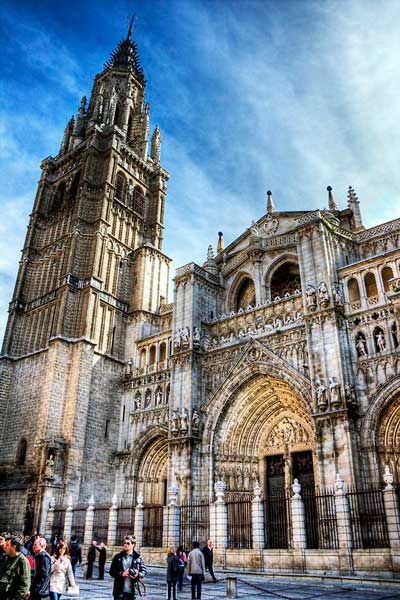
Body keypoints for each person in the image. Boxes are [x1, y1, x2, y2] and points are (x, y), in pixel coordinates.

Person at [109, 535, 147, 600]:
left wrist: (137, 574)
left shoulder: (138, 558)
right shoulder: (118, 557)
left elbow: (144, 571)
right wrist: (121, 574)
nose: (125, 545)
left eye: (128, 543)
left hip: (132, 593)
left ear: (133, 545)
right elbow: (111, 572)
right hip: (119, 592)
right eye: (124, 543)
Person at [0, 534, 31, 599]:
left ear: (14, 547)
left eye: (7, 545)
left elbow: (24, 586)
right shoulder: (7, 558)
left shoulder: (23, 561)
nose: (4, 546)